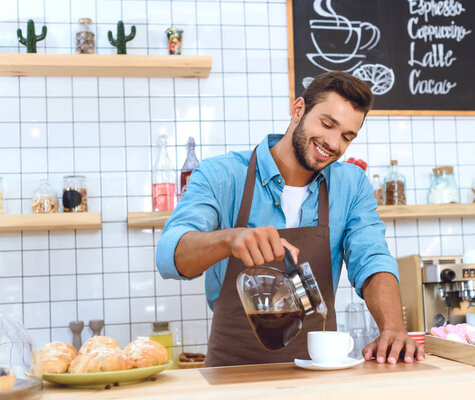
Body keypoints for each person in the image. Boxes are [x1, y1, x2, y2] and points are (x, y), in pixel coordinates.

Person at [156, 71, 425, 367]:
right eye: (327, 124)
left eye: (347, 136)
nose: (334, 143)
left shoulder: (351, 184)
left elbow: (372, 258)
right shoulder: (221, 175)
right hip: (232, 374)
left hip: (318, 374)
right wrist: (229, 239)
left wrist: (393, 328)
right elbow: (169, 256)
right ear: (298, 110)